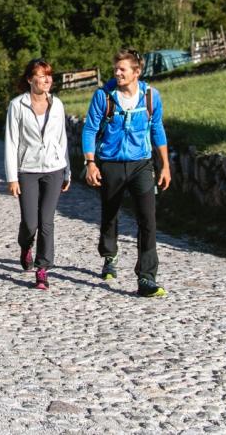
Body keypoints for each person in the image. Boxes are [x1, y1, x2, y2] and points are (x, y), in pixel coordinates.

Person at [82, 48, 171, 297]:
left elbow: (158, 130)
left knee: (147, 219)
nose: (117, 73)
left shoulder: (151, 97)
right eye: (116, 69)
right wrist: (91, 163)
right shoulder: (104, 96)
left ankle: (146, 277)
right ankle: (109, 255)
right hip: (110, 162)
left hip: (141, 163)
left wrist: (165, 164)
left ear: (136, 72)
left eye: (123, 69)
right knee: (110, 213)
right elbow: (89, 129)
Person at [4, 58, 70, 291]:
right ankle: (25, 246)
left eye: (48, 75)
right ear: (30, 79)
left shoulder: (58, 105)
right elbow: (12, 142)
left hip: (54, 168)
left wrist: (67, 171)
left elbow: (62, 139)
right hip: (27, 170)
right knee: (30, 223)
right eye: (41, 76)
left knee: (47, 221)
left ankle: (42, 269)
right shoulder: (17, 105)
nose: (46, 80)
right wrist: (12, 177)